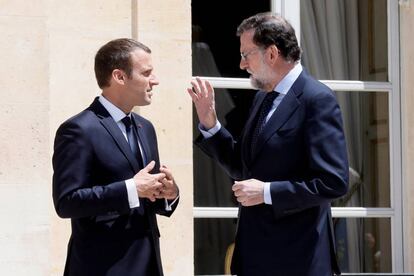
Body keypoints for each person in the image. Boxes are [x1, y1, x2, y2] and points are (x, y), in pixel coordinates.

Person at [187, 13, 348, 276]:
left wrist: (267, 192)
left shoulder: (317, 99)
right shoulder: (263, 99)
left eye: (246, 54)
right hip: (255, 256)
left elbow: (332, 181)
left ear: (272, 53)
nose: (241, 64)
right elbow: (244, 167)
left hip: (298, 259)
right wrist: (211, 124)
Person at [53, 38, 179, 276]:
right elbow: (66, 201)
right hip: (102, 267)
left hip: (148, 264)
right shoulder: (79, 129)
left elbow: (148, 196)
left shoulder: (146, 128)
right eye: (147, 73)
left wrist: (169, 194)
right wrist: (131, 188)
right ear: (119, 77)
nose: (155, 80)